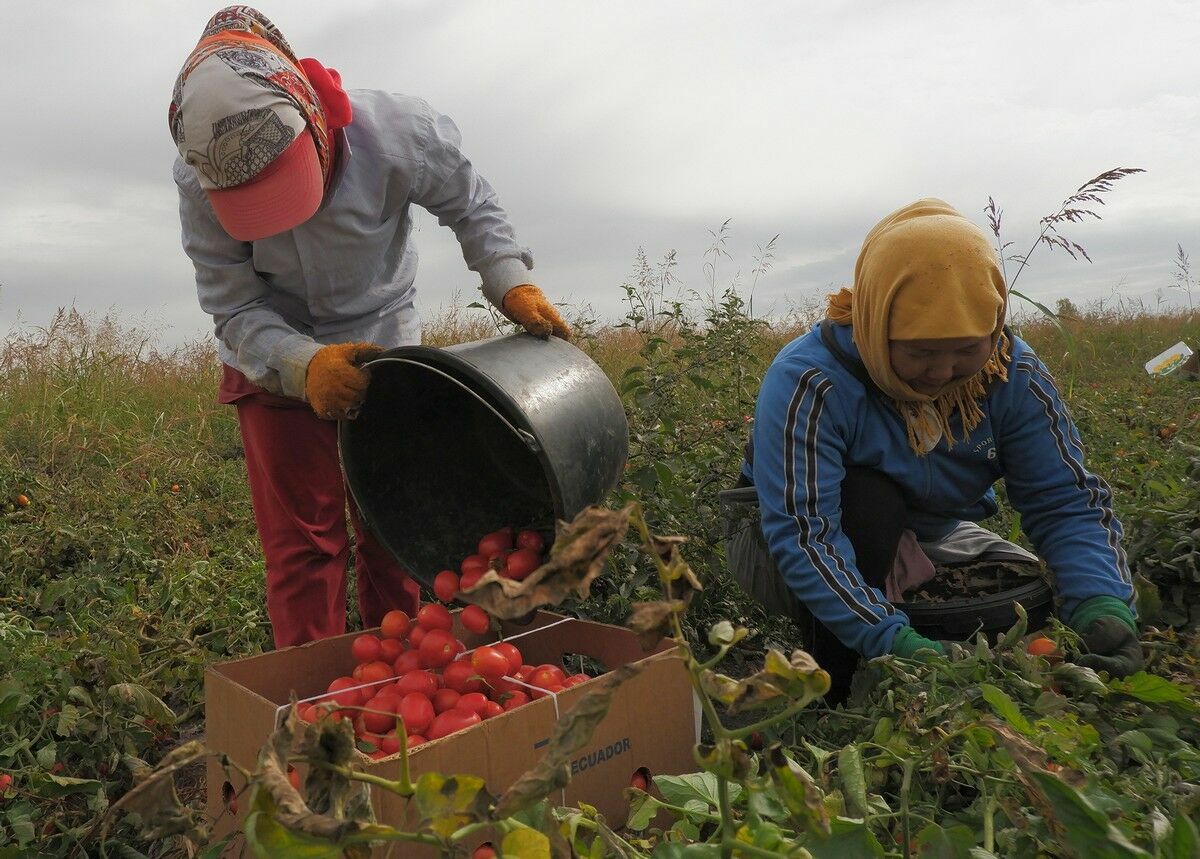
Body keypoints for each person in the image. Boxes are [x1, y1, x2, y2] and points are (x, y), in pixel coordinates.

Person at [168, 6, 570, 648]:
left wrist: (508, 279)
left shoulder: (399, 133)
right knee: (304, 545)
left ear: (312, 121)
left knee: (395, 523)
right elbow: (233, 305)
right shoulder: (200, 176)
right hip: (273, 352)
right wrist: (303, 364)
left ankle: (406, 662)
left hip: (385, 345)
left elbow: (472, 204)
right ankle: (314, 694)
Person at [722, 199, 1142, 703]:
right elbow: (805, 533)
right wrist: (891, 642)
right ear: (877, 326)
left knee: (1033, 602)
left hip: (929, 533)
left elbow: (1065, 501)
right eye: (920, 352)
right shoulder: (811, 380)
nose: (942, 373)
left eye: (966, 349)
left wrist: (1104, 607)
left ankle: (892, 619)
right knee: (870, 500)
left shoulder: (1011, 373)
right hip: (782, 542)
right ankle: (833, 682)